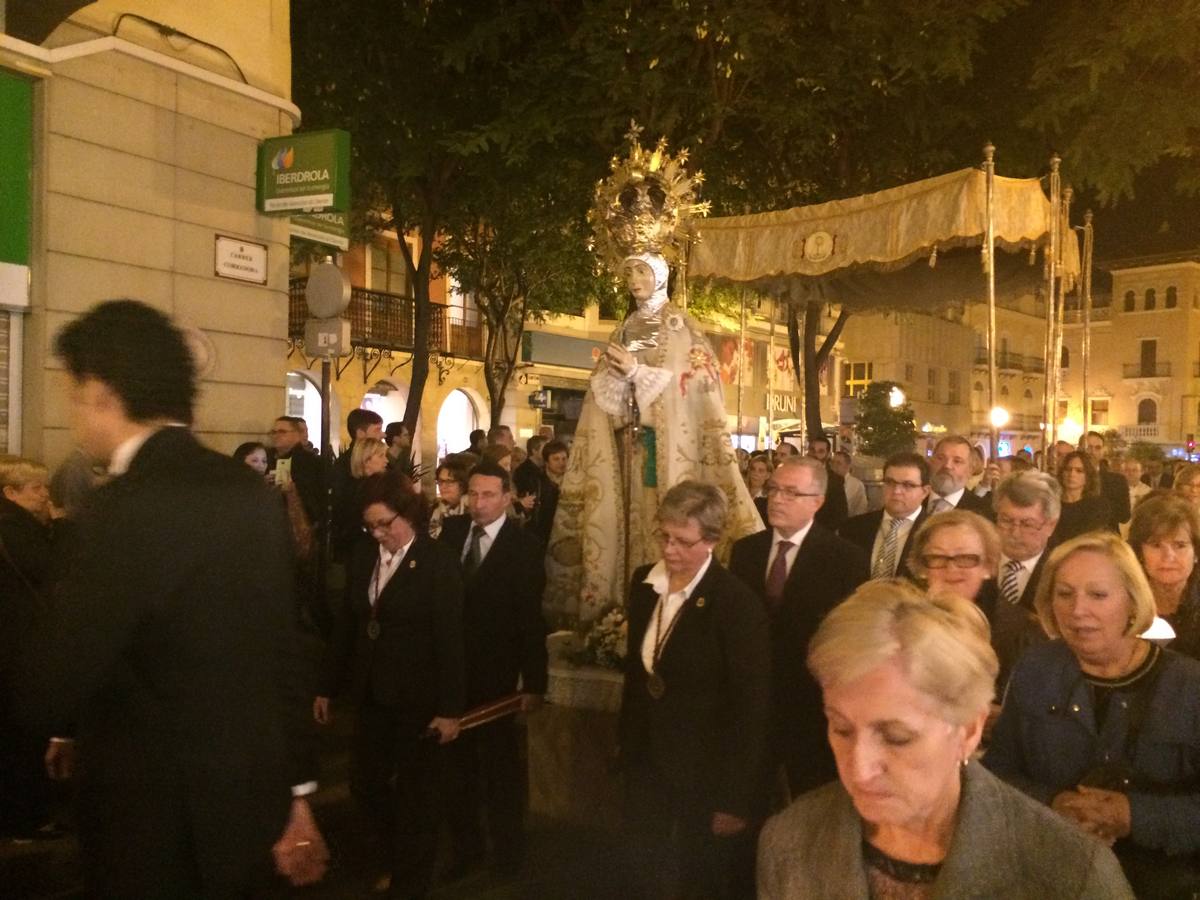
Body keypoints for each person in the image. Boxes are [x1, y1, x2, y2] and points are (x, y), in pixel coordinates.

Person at [16, 300, 326, 895]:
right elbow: (283, 653)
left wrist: (60, 721)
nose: (74, 414)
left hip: (144, 821)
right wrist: (299, 793)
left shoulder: (114, 510)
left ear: (103, 394)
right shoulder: (248, 493)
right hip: (243, 809)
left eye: (73, 396)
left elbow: (54, 674)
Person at [758, 581, 1132, 900]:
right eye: (841, 728)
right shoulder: (790, 841)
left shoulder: (1071, 875)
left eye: (896, 737)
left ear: (969, 730)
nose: (859, 767)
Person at [544, 250, 760, 624]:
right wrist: (616, 383)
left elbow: (695, 388)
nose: (633, 280)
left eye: (641, 270)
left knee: (667, 525)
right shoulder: (624, 328)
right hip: (625, 455)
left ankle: (670, 613)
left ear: (661, 276)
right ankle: (618, 612)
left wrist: (637, 376)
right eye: (629, 272)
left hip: (666, 458)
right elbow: (601, 397)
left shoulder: (681, 328)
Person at [985, 531, 1200, 897]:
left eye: (1098, 595)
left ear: (1132, 601)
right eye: (1064, 594)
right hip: (1048, 876)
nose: (1077, 610)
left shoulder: (1189, 685)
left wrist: (1134, 816)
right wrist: (1055, 803)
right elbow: (997, 773)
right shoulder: (1036, 667)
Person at [315, 473, 464, 899]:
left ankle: (411, 879)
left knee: (418, 793)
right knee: (366, 783)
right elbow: (348, 624)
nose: (381, 534)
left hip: (419, 696)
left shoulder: (437, 561)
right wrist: (326, 684)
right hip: (372, 693)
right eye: (372, 527)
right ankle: (395, 856)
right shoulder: (365, 557)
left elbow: (450, 638)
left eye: (386, 523)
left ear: (408, 513)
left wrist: (452, 708)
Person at [619, 481, 770, 900]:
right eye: (664, 537)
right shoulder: (644, 585)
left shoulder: (735, 603)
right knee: (640, 865)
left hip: (704, 768)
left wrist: (735, 798)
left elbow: (750, 707)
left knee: (696, 876)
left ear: (712, 541)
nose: (669, 551)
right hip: (647, 759)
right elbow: (639, 676)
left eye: (683, 542)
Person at [729, 456, 868, 798]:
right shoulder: (746, 551)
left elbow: (848, 637)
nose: (777, 499)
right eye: (774, 489)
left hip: (810, 709)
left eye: (791, 493)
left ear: (817, 502)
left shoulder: (844, 558)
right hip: (753, 705)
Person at [438, 461, 547, 877]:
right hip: (453, 675)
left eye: (488, 496)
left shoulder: (524, 546)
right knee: (456, 773)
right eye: (474, 495)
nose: (479, 504)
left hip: (497, 677)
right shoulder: (450, 534)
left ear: (506, 498)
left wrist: (533, 682)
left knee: (501, 773)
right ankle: (466, 850)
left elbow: (529, 620)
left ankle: (508, 855)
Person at [0, 457, 70, 840]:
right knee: (22, 740)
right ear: (11, 493)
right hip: (18, 649)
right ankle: (22, 820)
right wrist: (60, 526)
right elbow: (52, 571)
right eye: (36, 488)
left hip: (14, 645)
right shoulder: (15, 527)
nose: (46, 494)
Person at [983, 471, 1060, 689]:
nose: (1014, 533)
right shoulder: (974, 564)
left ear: (1050, 525)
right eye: (1006, 520)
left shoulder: (1061, 574)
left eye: (1027, 524)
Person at [1128, 493, 1200, 660]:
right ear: (1140, 552)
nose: (1168, 556)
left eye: (1180, 545)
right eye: (1156, 545)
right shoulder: (1123, 603)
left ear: (1196, 552)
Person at [838, 451, 930, 581]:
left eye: (907, 485)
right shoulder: (853, 528)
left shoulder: (935, 532)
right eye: (890, 482)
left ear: (925, 492)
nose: (897, 491)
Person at [906, 509, 999, 627]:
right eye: (938, 557)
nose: (951, 568)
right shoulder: (903, 623)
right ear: (922, 567)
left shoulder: (1015, 632)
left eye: (965, 558)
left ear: (988, 566)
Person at [236, 441, 313, 562]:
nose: (261, 465)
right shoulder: (235, 490)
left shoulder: (270, 490)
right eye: (254, 460)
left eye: (264, 461)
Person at [331, 409, 385, 563]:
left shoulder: (383, 468)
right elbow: (342, 505)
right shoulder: (344, 466)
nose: (382, 435)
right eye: (377, 430)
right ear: (360, 433)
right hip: (356, 542)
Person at [1051, 450, 1111, 545]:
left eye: (1079, 471)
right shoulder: (1050, 503)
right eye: (1068, 469)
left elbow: (1091, 538)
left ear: (1088, 476)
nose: (1072, 474)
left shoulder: (1097, 506)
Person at [926, 435, 993, 517]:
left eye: (957, 461)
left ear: (970, 470)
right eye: (941, 458)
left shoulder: (983, 512)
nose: (947, 465)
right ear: (930, 462)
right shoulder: (913, 501)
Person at [1082, 430, 1132, 532]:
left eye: (1098, 448)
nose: (1092, 452)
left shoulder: (1117, 481)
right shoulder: (1069, 478)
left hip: (1107, 537)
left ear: (1103, 451)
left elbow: (1124, 516)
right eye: (1089, 447)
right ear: (1080, 449)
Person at [806, 434, 849, 529]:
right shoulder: (797, 474)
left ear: (828, 454)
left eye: (820, 451)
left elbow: (840, 515)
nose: (815, 455)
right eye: (812, 450)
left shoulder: (835, 480)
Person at [429, 458, 469, 539]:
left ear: (462, 484)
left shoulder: (471, 511)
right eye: (440, 481)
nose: (443, 486)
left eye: (449, 482)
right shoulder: (434, 509)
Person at [830, 449, 868, 517]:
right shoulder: (827, 482)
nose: (834, 465)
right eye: (832, 462)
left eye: (838, 463)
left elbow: (861, 509)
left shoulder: (856, 485)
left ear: (847, 466)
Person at [1122, 458, 1152, 537]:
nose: (1130, 473)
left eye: (1134, 470)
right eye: (1127, 470)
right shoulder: (1115, 491)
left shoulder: (1148, 492)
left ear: (1141, 473)